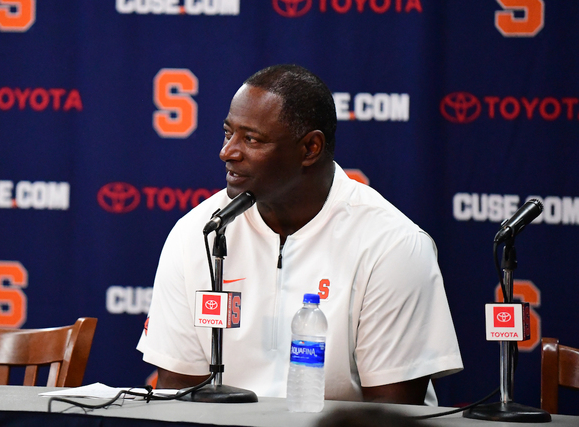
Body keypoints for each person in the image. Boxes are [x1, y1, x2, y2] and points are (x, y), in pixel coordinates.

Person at [136, 64, 463, 405]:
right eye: (227, 133)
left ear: (310, 148)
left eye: (251, 139)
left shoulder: (392, 244)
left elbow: (391, 414)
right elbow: (177, 395)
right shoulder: (198, 232)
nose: (228, 152)